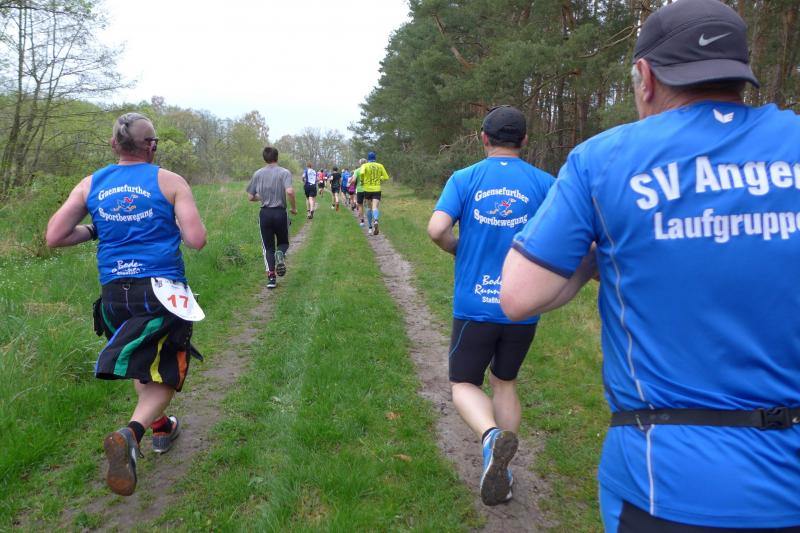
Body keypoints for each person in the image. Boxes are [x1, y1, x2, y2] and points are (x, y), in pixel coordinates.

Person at [500, 1, 800, 529]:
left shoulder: (605, 159)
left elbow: (519, 296)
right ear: (741, 72)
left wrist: (603, 252)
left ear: (646, 77)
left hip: (668, 480)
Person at [46, 112, 207, 496]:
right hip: (160, 290)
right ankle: (131, 434)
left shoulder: (90, 184)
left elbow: (55, 236)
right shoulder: (170, 181)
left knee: (142, 359)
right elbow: (196, 240)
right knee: (167, 372)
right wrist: (171, 223)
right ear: (150, 146)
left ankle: (161, 427)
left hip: (113, 294)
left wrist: (95, 229)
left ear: (114, 145)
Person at [427, 105, 554, 506]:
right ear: (525, 140)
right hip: (523, 304)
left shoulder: (464, 178)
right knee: (505, 381)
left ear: (484, 138)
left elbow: (437, 229)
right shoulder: (546, 183)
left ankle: (490, 437)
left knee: (464, 384)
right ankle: (503, 467)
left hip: (474, 304)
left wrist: (459, 249)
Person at [246, 146, 297, 289]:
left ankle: (271, 278)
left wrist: (261, 198)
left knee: (268, 248)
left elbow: (250, 197)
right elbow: (290, 191)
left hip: (265, 214)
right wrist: (293, 208)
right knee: (283, 243)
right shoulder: (285, 172)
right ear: (277, 157)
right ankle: (280, 254)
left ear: (264, 158)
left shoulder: (257, 174)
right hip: (280, 213)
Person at [357, 151, 390, 235]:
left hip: (367, 189)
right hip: (377, 189)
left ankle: (370, 227)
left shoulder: (364, 165)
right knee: (375, 207)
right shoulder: (380, 165)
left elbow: (362, 173)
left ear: (368, 159)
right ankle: (376, 220)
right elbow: (386, 177)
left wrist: (362, 181)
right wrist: (379, 178)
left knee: (368, 207)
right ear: (375, 158)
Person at [353, 158, 367, 225]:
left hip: (359, 189)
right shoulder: (368, 170)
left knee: (360, 205)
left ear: (360, 163)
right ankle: (370, 219)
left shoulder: (357, 170)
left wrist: (351, 183)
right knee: (368, 204)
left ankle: (362, 220)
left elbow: (354, 180)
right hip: (368, 189)